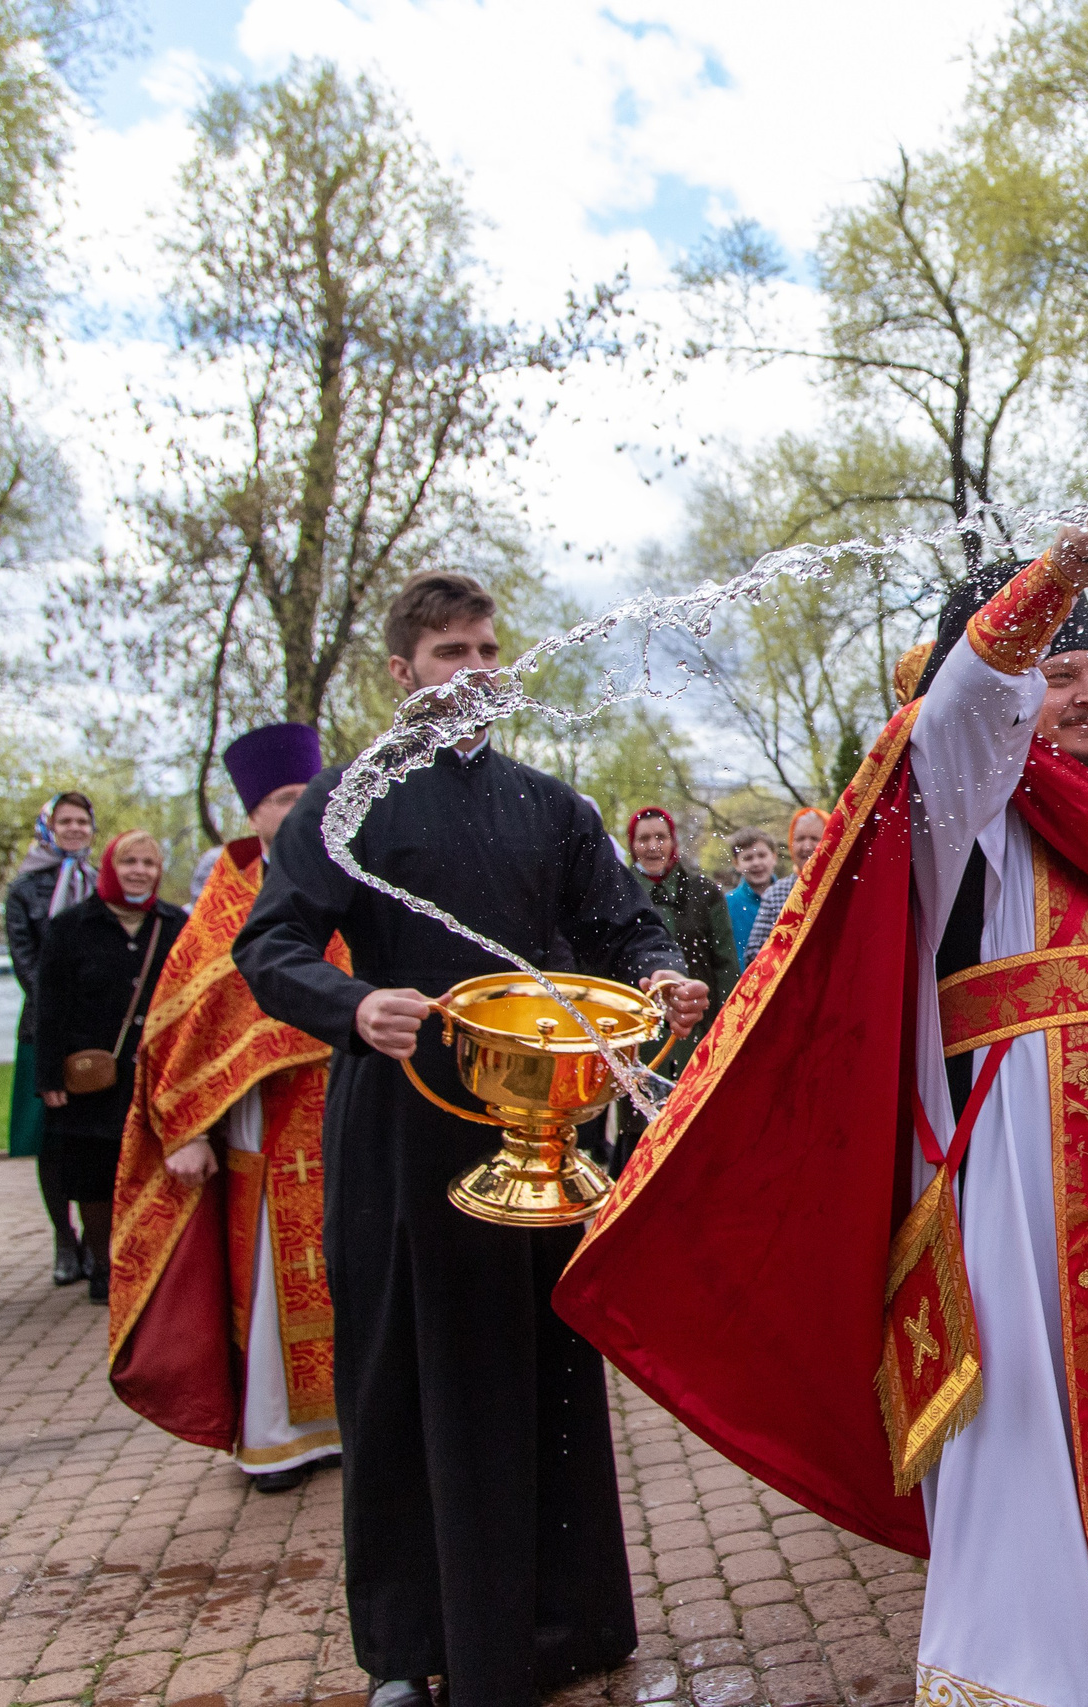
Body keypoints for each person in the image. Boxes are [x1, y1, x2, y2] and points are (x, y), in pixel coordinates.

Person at [558, 521, 1088, 1707]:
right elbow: (969, 697)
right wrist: (1054, 579)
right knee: (1030, 1425)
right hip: (1017, 1185)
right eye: (1058, 674)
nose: (1084, 699)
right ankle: (1039, 1678)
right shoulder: (962, 799)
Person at [234, 571, 705, 1707]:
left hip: (539, 1122)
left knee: (542, 1366)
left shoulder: (550, 802)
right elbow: (271, 944)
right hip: (403, 1125)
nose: (478, 671)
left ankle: (569, 1621)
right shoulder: (342, 806)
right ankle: (410, 1647)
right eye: (452, 653)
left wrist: (658, 973)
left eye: (488, 649)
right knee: (407, 1374)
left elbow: (621, 918)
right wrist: (353, 1008)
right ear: (402, 673)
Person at [107, 724, 342, 1493]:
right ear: (253, 816)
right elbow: (181, 1025)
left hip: (345, 1106)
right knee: (276, 1275)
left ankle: (352, 1423)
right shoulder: (228, 900)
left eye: (307, 792)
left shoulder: (356, 875)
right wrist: (188, 1126)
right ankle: (276, 1437)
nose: (298, 805)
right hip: (261, 1122)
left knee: (353, 1267)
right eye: (281, 798)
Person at [36, 830, 188, 1306]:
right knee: (94, 1175)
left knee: (155, 1169)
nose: (139, 871)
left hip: (157, 1073)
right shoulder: (70, 927)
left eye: (148, 862)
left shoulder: (176, 923)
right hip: (92, 1076)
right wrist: (48, 1077)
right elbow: (49, 1006)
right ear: (110, 867)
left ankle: (152, 1260)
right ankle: (103, 1264)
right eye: (129, 862)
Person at [615, 805, 738, 1176]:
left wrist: (724, 1030)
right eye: (643, 839)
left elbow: (725, 964)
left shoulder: (704, 892)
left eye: (660, 837)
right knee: (639, 1130)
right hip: (636, 1035)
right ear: (632, 845)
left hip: (695, 1029)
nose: (652, 846)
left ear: (673, 842)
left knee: (692, 1121)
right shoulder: (618, 891)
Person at [6, 791, 98, 1285]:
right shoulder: (26, 889)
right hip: (44, 1029)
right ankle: (63, 1238)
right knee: (54, 1139)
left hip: (100, 1034)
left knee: (94, 1135)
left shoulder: (104, 882)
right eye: (64, 821)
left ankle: (95, 1237)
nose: (74, 829)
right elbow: (27, 963)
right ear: (49, 828)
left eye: (82, 821)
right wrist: (64, 1017)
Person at [743, 806, 827, 958]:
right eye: (800, 839)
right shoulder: (776, 893)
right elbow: (754, 953)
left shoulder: (845, 889)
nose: (807, 846)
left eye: (815, 839)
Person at [724, 826, 775, 952]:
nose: (756, 863)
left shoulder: (791, 897)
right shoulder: (727, 904)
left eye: (762, 855)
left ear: (774, 857)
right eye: (748, 858)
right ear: (736, 864)